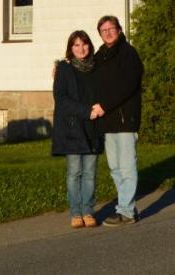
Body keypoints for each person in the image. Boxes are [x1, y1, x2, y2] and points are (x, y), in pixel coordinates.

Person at [91, 14, 143, 226]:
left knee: (127, 165)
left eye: (111, 28)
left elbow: (128, 86)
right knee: (115, 167)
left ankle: (127, 211)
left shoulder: (127, 53)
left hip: (124, 118)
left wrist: (104, 105)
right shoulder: (101, 54)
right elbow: (89, 76)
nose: (108, 33)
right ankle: (126, 205)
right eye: (104, 30)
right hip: (108, 121)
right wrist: (63, 67)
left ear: (119, 30)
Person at [52, 30, 103, 228]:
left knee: (90, 172)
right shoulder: (64, 70)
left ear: (89, 45)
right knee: (74, 172)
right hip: (73, 127)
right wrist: (85, 111)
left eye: (84, 44)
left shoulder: (96, 67)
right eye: (76, 45)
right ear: (70, 49)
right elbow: (61, 98)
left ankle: (88, 211)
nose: (81, 48)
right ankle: (75, 213)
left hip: (93, 126)